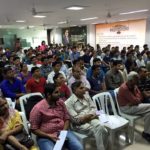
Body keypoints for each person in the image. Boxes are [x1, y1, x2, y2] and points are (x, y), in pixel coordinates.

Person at [29, 83, 83, 150]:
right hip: (45, 136)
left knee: (79, 147)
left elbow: (67, 118)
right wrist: (49, 136)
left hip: (63, 132)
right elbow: (34, 129)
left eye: (59, 92)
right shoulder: (38, 108)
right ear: (48, 95)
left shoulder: (60, 103)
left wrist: (63, 132)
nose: (59, 94)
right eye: (56, 92)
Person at [65, 81, 108, 150]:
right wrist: (93, 115)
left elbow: (94, 108)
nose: (84, 89)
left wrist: (89, 115)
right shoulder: (68, 103)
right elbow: (77, 120)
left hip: (91, 118)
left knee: (102, 123)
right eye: (81, 88)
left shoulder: (86, 95)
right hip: (79, 125)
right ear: (74, 90)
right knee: (103, 130)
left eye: (84, 87)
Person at [118, 71, 150, 142]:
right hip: (125, 108)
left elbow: (140, 97)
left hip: (133, 105)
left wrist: (135, 100)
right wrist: (135, 100)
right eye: (136, 79)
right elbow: (136, 100)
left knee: (149, 113)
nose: (138, 81)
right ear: (131, 80)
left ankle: (146, 133)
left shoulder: (134, 85)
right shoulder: (124, 88)